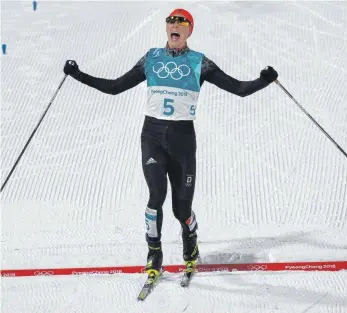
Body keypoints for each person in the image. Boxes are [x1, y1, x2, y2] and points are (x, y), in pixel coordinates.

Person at [63, 8, 278, 277]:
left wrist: (264, 80)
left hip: (182, 141)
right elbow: (116, 87)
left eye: (181, 22)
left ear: (189, 30)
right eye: (170, 22)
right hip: (152, 136)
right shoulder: (151, 59)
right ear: (166, 28)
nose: (174, 26)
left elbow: (239, 89)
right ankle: (154, 253)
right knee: (156, 196)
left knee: (181, 208)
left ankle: (190, 245)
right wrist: (78, 75)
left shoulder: (200, 62)